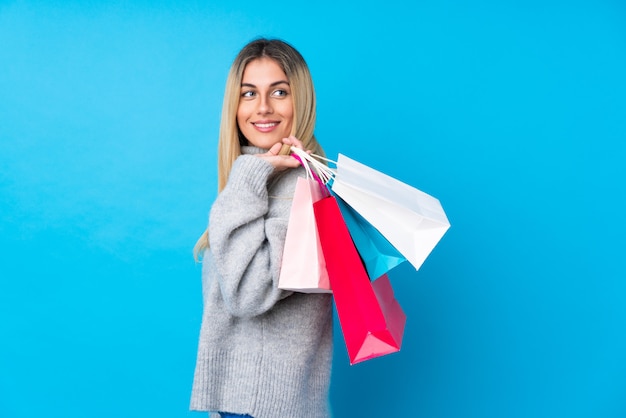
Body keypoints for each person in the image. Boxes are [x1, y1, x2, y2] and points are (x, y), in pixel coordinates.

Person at [190, 38, 333, 418]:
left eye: (280, 91)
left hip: (266, 408)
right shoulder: (259, 179)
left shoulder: (297, 190)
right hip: (248, 405)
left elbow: (247, 296)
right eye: (249, 93)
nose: (263, 107)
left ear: (300, 99)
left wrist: (249, 177)